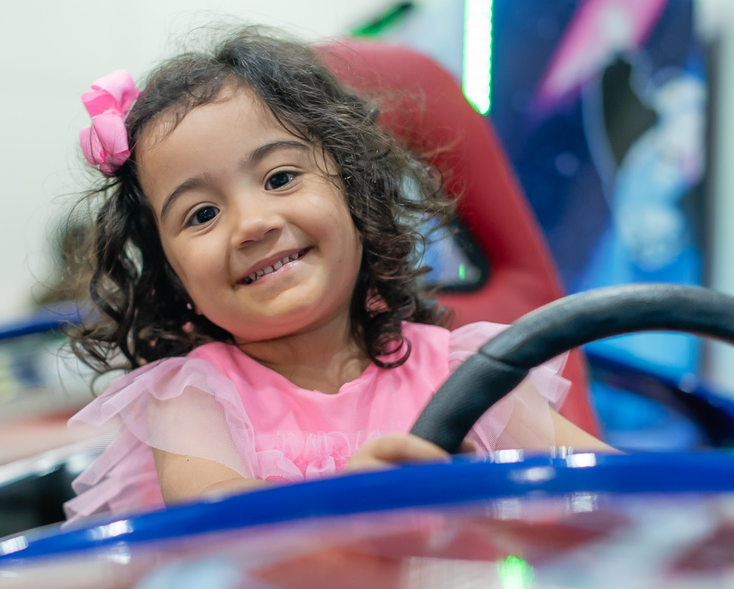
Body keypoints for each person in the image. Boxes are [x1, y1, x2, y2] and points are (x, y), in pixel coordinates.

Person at [63, 30, 608, 524]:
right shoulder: (192, 398)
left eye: (280, 178)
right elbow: (219, 524)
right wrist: (350, 505)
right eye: (202, 214)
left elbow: (617, 489)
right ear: (171, 276)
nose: (252, 224)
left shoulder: (463, 376)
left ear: (353, 192)